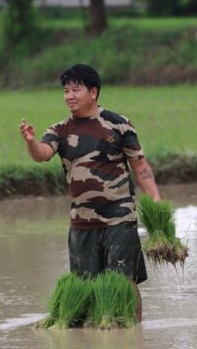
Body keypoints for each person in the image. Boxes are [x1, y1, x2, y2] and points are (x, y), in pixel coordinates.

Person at [19, 64, 161, 321]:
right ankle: (101, 331)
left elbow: (140, 165)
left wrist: (156, 199)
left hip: (119, 218)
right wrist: (31, 143)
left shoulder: (119, 125)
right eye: (65, 91)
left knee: (124, 281)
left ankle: (134, 332)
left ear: (93, 92)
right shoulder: (59, 130)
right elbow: (42, 154)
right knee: (85, 287)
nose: (69, 96)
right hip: (82, 222)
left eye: (76, 89)